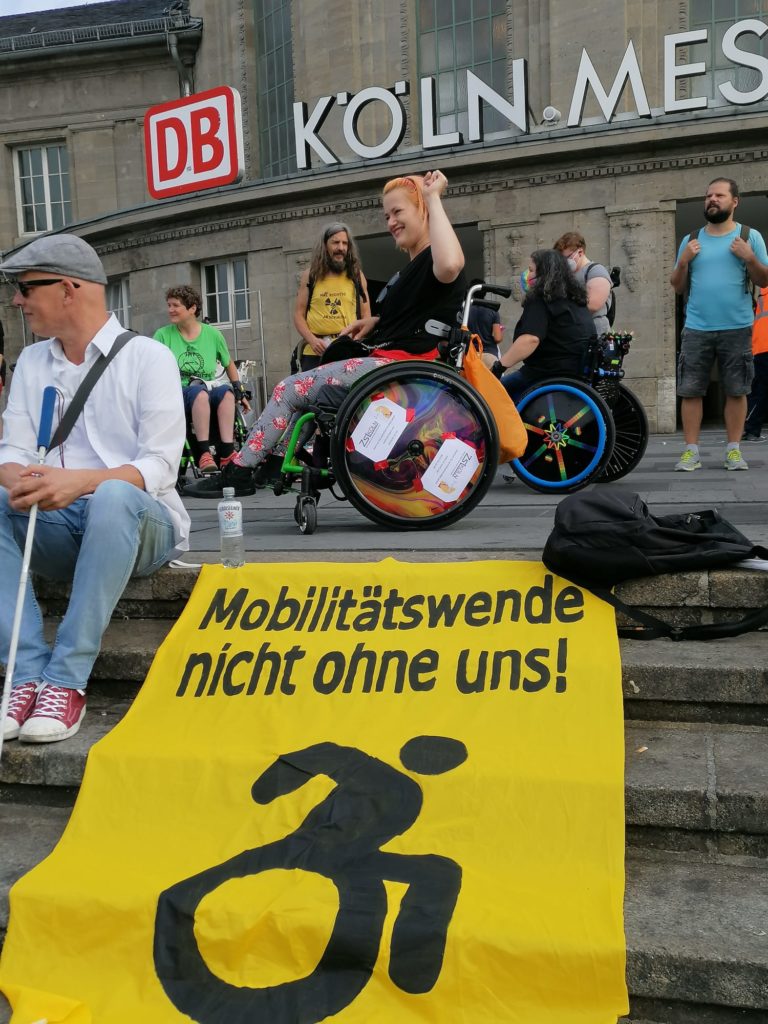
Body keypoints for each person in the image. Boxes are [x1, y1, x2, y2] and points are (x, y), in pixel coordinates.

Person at [0, 234, 189, 744]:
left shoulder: (148, 357)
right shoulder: (33, 364)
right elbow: (10, 451)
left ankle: (65, 681)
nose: (17, 301)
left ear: (67, 289)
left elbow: (159, 467)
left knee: (111, 497)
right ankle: (25, 674)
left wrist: (78, 483)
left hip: (141, 522)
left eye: (23, 288)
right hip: (62, 525)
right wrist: (23, 480)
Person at [185, 169, 466, 499]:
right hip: (389, 362)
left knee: (289, 388)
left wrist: (433, 196)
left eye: (398, 212)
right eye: (387, 215)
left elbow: (450, 266)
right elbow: (417, 316)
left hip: (396, 368)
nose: (390, 221)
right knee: (308, 396)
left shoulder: (434, 256)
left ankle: (240, 471)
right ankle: (272, 462)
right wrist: (374, 322)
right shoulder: (412, 267)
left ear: (423, 211)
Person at [670, 177, 768, 471]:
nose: (712, 199)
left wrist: (749, 258)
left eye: (720, 195)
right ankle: (691, 452)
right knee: (690, 390)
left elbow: (764, 280)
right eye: (709, 195)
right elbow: (676, 286)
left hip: (737, 326)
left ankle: (734, 451)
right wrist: (684, 262)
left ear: (734, 201)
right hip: (697, 327)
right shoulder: (691, 240)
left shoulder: (750, 237)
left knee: (737, 390)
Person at [154, 285, 249, 474]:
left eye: (175, 305)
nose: (170, 310)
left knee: (226, 393)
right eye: (169, 305)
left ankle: (227, 453)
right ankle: (204, 454)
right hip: (178, 392)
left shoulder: (212, 334)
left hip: (207, 387)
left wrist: (239, 389)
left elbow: (228, 363)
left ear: (192, 308)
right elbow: (151, 367)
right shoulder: (162, 335)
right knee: (199, 393)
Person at [495, 249, 596, 402]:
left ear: (543, 272)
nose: (527, 275)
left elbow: (530, 339)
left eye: (531, 270)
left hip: (547, 373)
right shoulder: (575, 300)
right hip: (576, 371)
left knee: (494, 393)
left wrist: (499, 367)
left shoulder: (541, 299)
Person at [293, 223, 371, 372]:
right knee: (314, 395)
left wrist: (355, 341)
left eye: (345, 243)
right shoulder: (310, 276)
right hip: (315, 352)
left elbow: (366, 316)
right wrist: (312, 340)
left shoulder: (356, 275)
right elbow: (298, 315)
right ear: (324, 245)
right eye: (335, 242)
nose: (341, 248)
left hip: (346, 350)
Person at [554, 231, 612, 337]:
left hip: (595, 335)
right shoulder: (565, 275)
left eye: (566, 258)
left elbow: (592, 305)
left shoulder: (596, 271)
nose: (563, 263)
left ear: (580, 252)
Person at [743, 285, 768, 442]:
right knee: (760, 391)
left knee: (759, 390)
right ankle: (751, 429)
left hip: (760, 347)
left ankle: (751, 429)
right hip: (763, 346)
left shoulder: (763, 292)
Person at [467, 280, 504, 368]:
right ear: (486, 291)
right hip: (489, 355)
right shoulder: (492, 310)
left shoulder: (465, 310)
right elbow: (497, 338)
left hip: (470, 355)